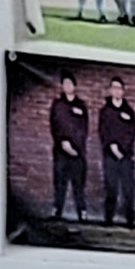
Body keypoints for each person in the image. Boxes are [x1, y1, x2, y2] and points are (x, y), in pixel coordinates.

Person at [50, 72, 89, 221]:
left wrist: (75, 148)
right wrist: (63, 142)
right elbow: (54, 126)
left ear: (75, 86)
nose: (67, 86)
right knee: (60, 183)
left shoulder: (81, 106)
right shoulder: (58, 104)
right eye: (64, 84)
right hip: (61, 151)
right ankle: (57, 211)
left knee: (78, 184)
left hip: (77, 153)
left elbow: (83, 129)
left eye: (70, 83)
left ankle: (82, 213)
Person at [99, 76, 135, 228]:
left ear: (123, 91)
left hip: (126, 157)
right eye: (113, 88)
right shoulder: (105, 111)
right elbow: (103, 132)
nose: (116, 91)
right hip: (110, 156)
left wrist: (123, 149)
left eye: (119, 88)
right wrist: (112, 146)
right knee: (111, 188)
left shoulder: (129, 111)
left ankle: (130, 221)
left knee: (128, 189)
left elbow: (132, 132)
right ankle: (108, 220)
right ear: (110, 90)